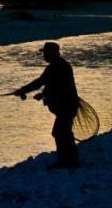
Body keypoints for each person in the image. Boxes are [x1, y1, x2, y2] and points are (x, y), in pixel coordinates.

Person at [12, 41, 80, 169]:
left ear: (53, 53)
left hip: (66, 106)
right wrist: (43, 95)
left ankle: (67, 161)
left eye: (45, 53)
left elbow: (41, 82)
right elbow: (55, 85)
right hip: (68, 105)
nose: (44, 56)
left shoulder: (56, 66)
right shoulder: (60, 65)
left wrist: (23, 90)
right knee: (63, 132)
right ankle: (70, 160)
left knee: (60, 132)